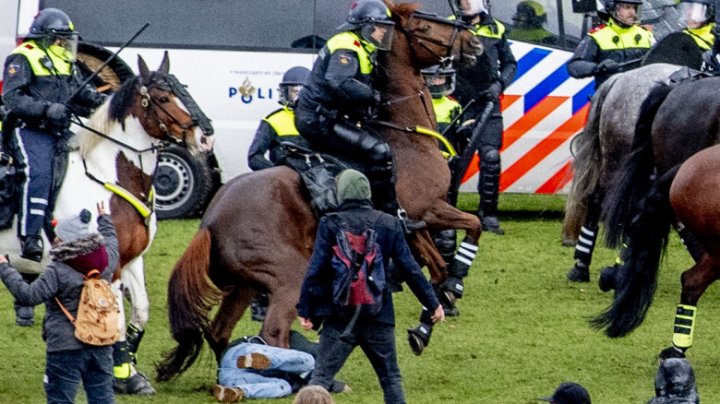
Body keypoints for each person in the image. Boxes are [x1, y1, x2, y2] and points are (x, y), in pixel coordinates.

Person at [296, 169, 444, 404]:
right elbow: (410, 268)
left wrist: (305, 310)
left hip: (339, 317)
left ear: (342, 193)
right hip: (379, 315)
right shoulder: (389, 223)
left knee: (320, 380)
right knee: (390, 379)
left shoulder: (330, 223)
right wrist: (432, 303)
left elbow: (316, 271)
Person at [2, 7, 105, 327]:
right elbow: (13, 99)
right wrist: (48, 110)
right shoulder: (22, 57)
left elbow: (82, 95)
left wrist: (110, 103)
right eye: (62, 40)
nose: (66, 46)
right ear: (47, 38)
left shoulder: (64, 61)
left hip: (58, 132)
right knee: (39, 173)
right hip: (26, 129)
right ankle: (30, 238)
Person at [294, 0, 422, 231]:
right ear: (365, 26)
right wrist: (373, 96)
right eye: (380, 27)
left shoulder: (364, 47)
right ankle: (390, 218)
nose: (384, 32)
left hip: (331, 117)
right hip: (319, 120)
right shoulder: (346, 44)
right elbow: (339, 81)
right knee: (379, 151)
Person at [0, 203, 118, 404]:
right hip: (101, 343)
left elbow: (28, 295)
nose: (55, 240)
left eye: (58, 237)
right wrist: (104, 218)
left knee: (60, 400)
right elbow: (112, 241)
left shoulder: (58, 270)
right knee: (103, 399)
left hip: (65, 348)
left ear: (66, 241)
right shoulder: (106, 260)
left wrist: (5, 268)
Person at [451, 0, 517, 235]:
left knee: (490, 157)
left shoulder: (496, 28)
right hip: (456, 103)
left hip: (488, 104)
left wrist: (499, 85)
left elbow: (510, 64)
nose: (464, 3)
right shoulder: (449, 25)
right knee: (451, 159)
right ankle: (447, 211)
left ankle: (488, 215)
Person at [566, 0, 654, 90]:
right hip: (609, 95)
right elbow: (574, 66)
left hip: (641, 94)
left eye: (634, 8)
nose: (632, 13)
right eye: (627, 7)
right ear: (613, 9)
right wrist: (598, 67)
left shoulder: (647, 35)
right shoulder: (597, 36)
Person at [247, 66, 312, 171]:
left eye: (304, 92)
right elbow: (254, 157)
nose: (299, 97)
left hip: (317, 180)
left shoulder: (320, 120)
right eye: (295, 91)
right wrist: (277, 173)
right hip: (285, 180)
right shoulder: (273, 120)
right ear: (286, 93)